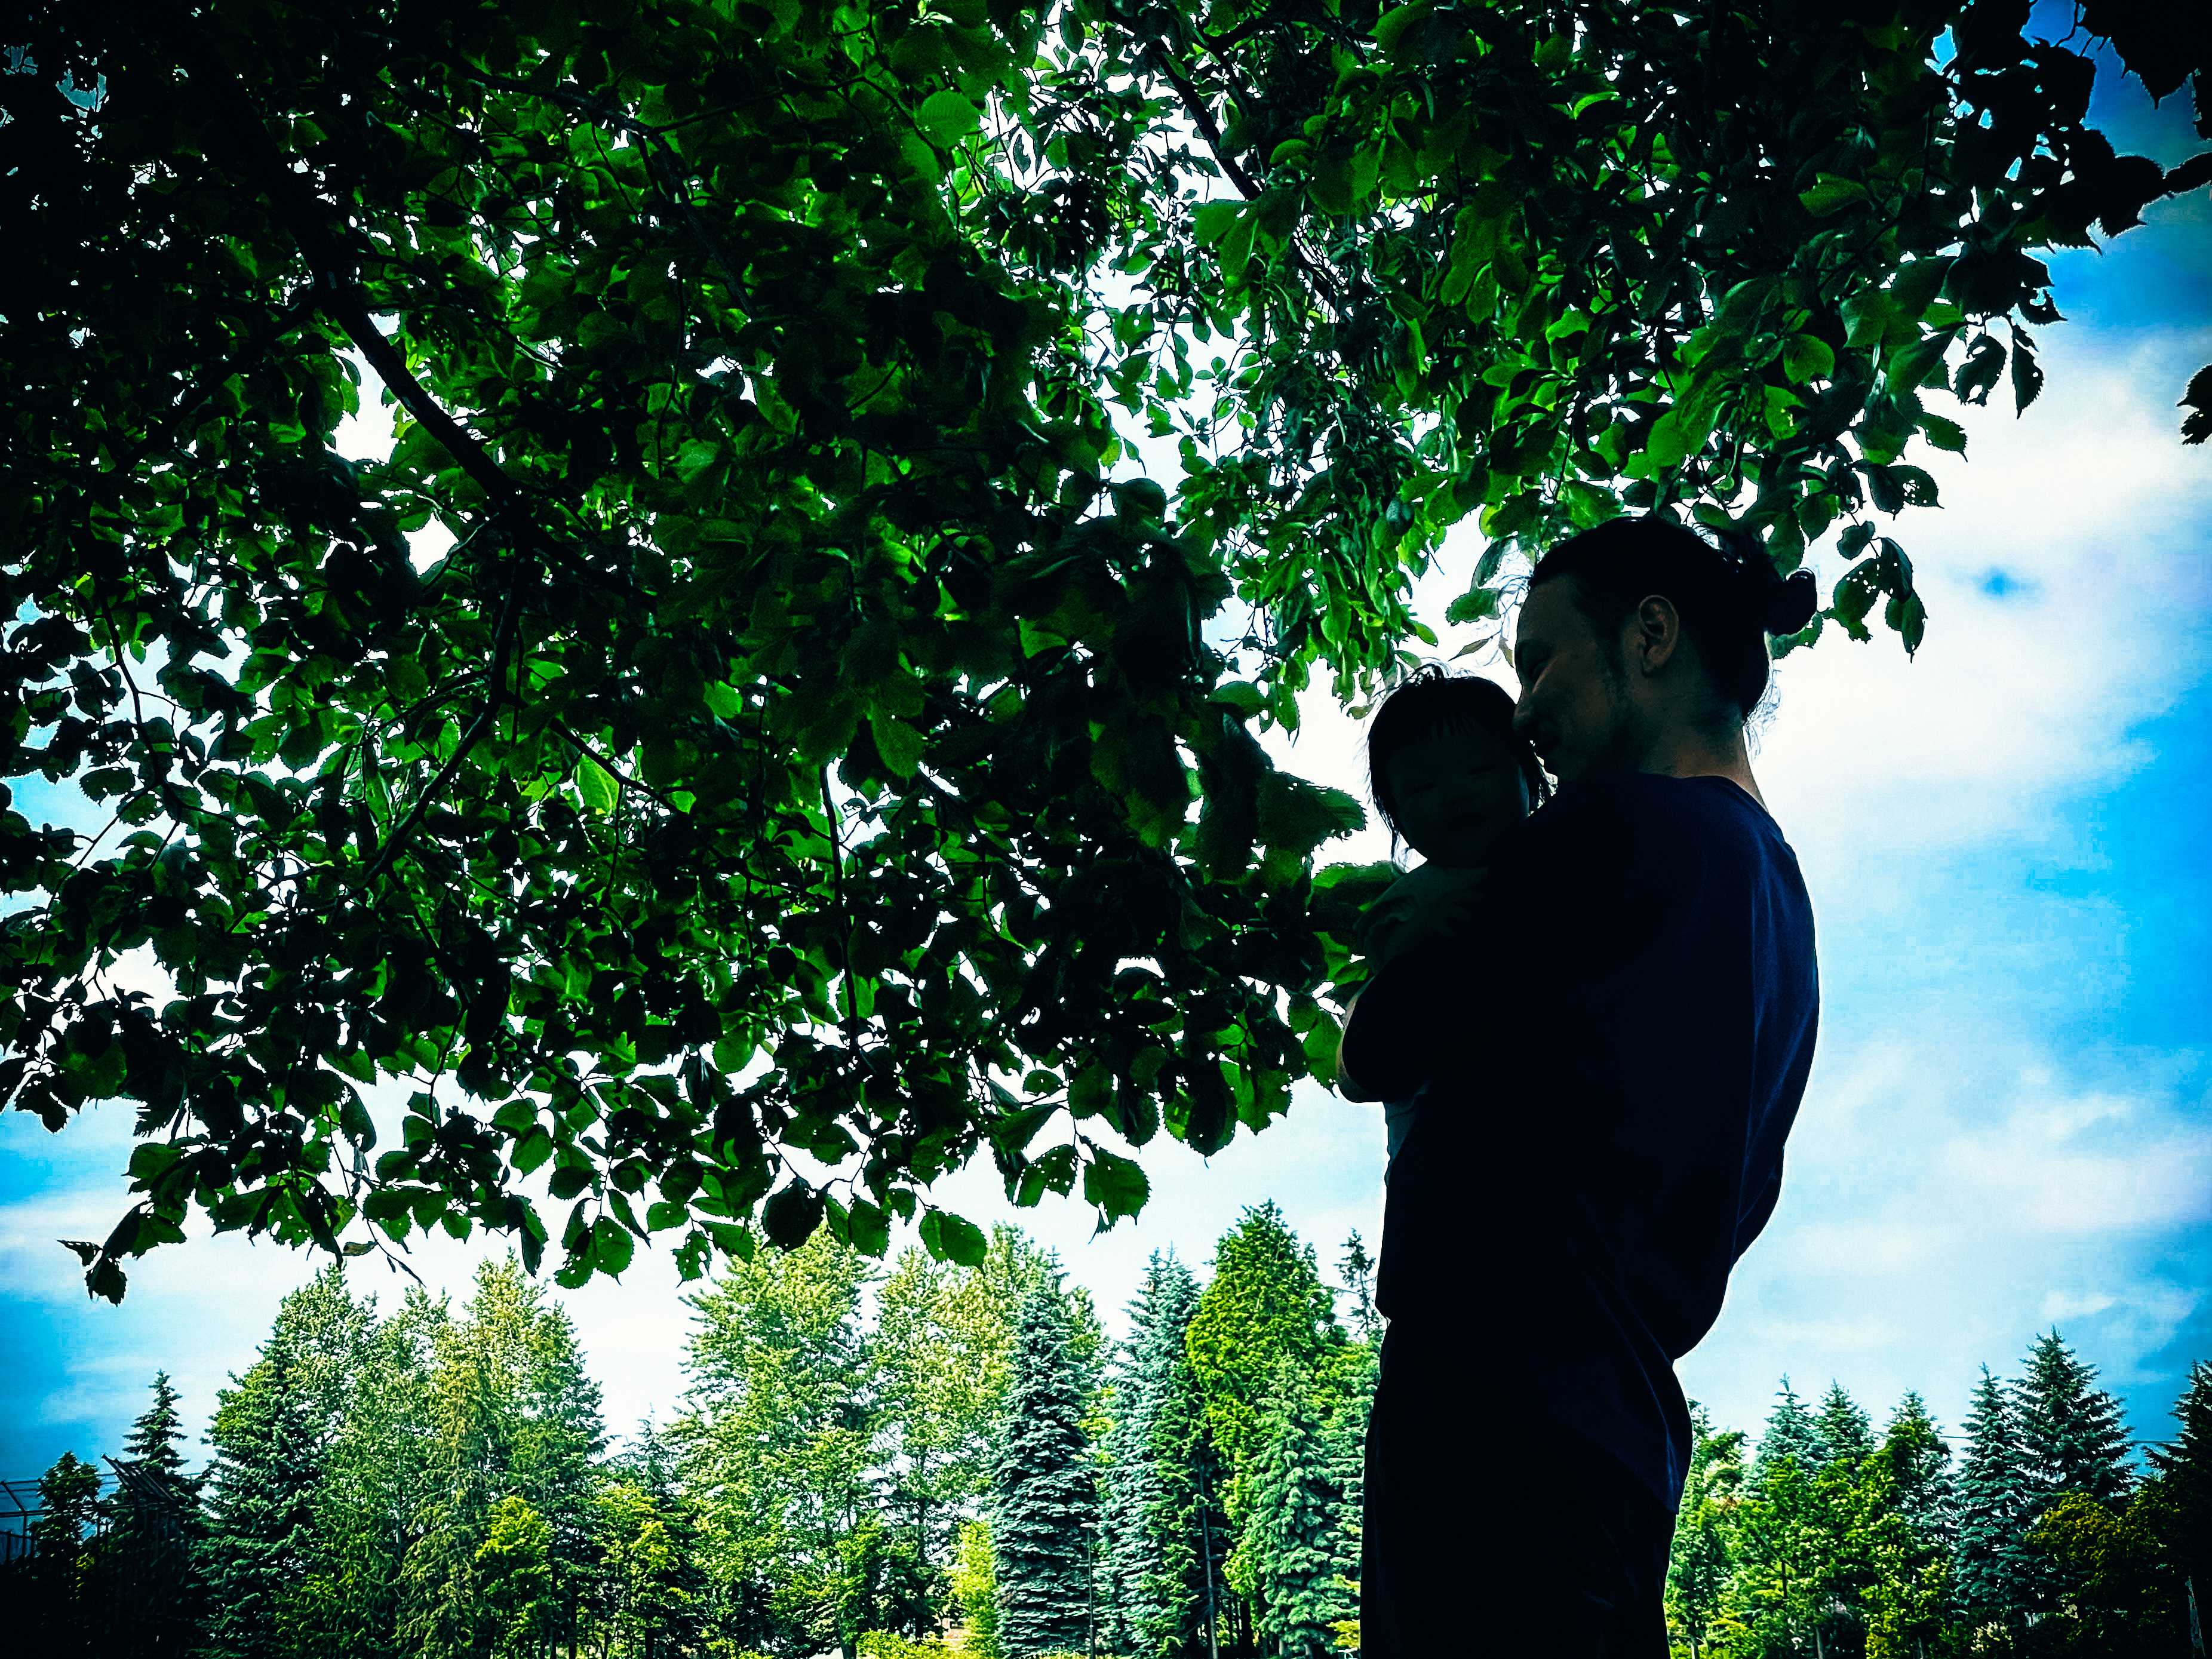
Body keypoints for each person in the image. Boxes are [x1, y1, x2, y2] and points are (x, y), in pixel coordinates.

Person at [1338, 515, 1822, 1656]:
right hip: (1619, 1421)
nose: (1521, 711)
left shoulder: (1603, 828)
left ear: (1648, 636)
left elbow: (1374, 1052)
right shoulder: (1776, 892)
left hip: (1488, 1392)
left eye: (1541, 660)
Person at [1352, 668, 1550, 1172]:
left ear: (1529, 774)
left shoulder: (1560, 860)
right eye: (1422, 787)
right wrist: (1415, 939)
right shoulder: (1413, 898)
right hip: (1432, 1136)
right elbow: (1382, 980)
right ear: (1396, 816)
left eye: (1480, 770)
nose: (1456, 794)